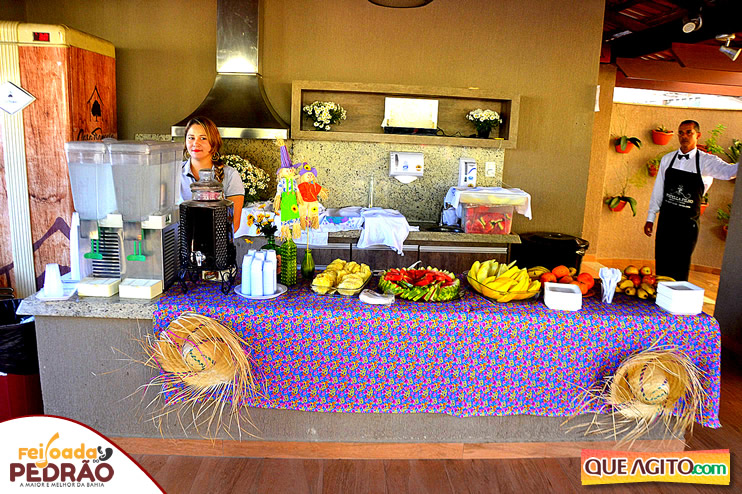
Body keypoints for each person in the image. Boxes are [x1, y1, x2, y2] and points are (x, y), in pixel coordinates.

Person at [643, 120, 738, 281]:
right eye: (681, 133)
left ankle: (677, 295)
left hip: (687, 224)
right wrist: (650, 217)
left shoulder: (707, 161)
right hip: (666, 221)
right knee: (662, 263)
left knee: (680, 265)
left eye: (689, 132)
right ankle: (660, 294)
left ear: (698, 135)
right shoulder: (667, 159)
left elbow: (729, 172)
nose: (684, 136)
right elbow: (658, 189)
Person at [180, 116, 244, 232]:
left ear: (214, 142)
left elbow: (234, 223)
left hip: (216, 241)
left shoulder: (231, 175)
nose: (196, 143)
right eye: (191, 138)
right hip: (179, 241)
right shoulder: (174, 173)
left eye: (203, 138)